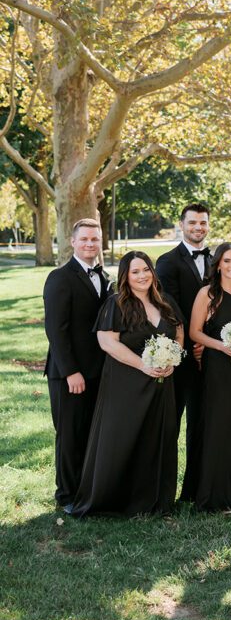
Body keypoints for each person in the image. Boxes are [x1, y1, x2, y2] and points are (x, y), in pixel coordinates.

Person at [73, 252, 181, 516]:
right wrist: (143, 365)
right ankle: (116, 500)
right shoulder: (117, 304)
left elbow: (178, 334)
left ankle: (155, 500)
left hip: (161, 383)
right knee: (122, 438)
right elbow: (107, 342)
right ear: (126, 276)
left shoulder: (166, 302)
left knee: (158, 436)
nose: (142, 275)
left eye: (146, 269)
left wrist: (172, 360)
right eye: (135, 272)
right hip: (126, 383)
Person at [43, 218, 112, 513]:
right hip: (68, 374)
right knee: (70, 435)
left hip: (99, 371)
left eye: (94, 240)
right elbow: (56, 330)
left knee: (91, 434)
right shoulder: (60, 278)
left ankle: (87, 490)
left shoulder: (105, 277)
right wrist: (71, 371)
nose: (89, 244)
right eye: (84, 239)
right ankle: (67, 496)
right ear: (72, 242)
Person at [188, 242, 231, 511]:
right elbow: (195, 332)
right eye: (227, 261)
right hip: (218, 367)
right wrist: (221, 346)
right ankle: (215, 494)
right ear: (217, 265)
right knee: (220, 426)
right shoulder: (208, 293)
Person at [155, 202, 211, 497]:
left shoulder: (217, 261)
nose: (198, 228)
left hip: (209, 359)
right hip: (179, 357)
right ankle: (163, 491)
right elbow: (170, 309)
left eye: (203, 223)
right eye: (193, 223)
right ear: (182, 225)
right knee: (170, 425)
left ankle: (194, 489)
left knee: (201, 425)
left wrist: (208, 343)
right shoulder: (167, 262)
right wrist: (193, 342)